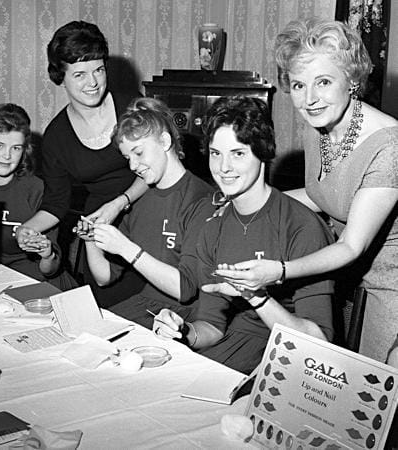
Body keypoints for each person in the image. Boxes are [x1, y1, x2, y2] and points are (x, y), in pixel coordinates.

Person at [217, 18, 398, 364]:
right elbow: (321, 195)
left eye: (324, 82)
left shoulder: (389, 145)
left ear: (353, 80)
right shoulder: (317, 128)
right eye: (299, 85)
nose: (309, 99)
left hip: (390, 287)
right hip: (341, 280)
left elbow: (351, 245)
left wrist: (280, 270)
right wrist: (246, 201)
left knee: (374, 397)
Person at [153, 96, 334, 374]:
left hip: (288, 356)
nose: (223, 167)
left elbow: (318, 342)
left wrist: (256, 296)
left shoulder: (301, 226)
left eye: (238, 154)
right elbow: (211, 326)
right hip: (231, 346)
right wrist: (184, 331)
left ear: (263, 153)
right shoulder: (212, 227)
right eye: (216, 153)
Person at [15, 20, 148, 302]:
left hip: (150, 216)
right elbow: (56, 203)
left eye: (98, 70)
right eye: (79, 74)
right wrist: (28, 229)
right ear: (60, 77)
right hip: (100, 234)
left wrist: (120, 203)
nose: (93, 83)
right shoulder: (56, 137)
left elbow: (158, 170)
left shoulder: (132, 106)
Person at [82, 97, 214, 329]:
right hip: (146, 306)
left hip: (189, 318)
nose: (132, 166)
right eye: (127, 158)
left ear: (164, 141)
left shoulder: (201, 200)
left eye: (139, 153)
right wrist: (91, 239)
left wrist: (124, 247)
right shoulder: (140, 200)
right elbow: (104, 277)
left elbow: (184, 289)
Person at [0, 103, 76, 290]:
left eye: (16, 148)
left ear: (24, 151)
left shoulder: (38, 189)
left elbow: (51, 270)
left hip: (35, 283)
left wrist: (47, 255)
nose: (7, 156)